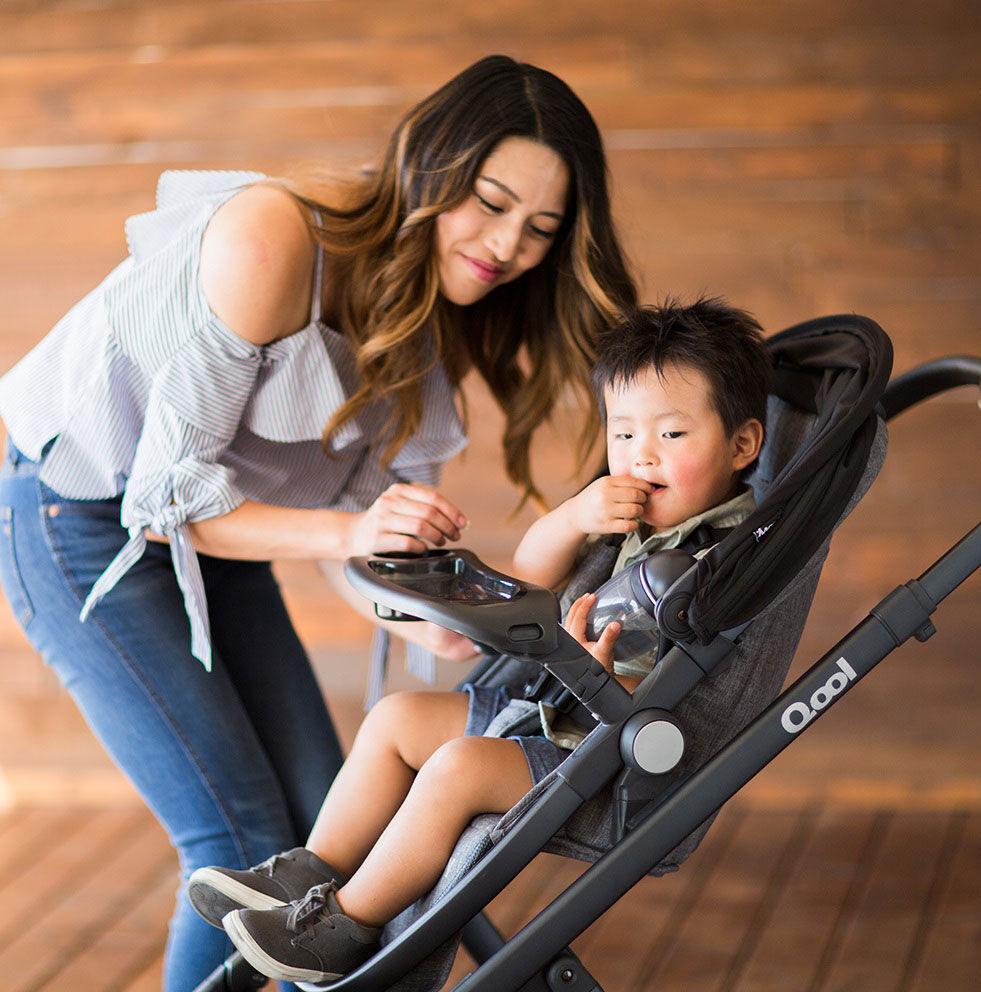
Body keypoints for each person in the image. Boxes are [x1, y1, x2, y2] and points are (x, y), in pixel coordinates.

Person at [0, 55, 637, 991]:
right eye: (489, 203)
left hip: (217, 542)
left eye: (540, 230)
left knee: (316, 827)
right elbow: (168, 497)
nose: (506, 247)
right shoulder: (271, 238)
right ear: (431, 164)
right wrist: (354, 538)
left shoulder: (432, 322)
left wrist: (425, 616)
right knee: (237, 835)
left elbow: (352, 533)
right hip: (77, 516)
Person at [184, 297, 772, 984]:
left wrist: (601, 678)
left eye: (671, 437)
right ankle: (308, 875)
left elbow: (679, 686)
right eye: (623, 435)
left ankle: (340, 927)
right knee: (398, 718)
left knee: (458, 768)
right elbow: (530, 575)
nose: (641, 457)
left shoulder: (716, 564)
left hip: (617, 752)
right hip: (553, 713)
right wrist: (576, 515)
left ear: (741, 445)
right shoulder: (629, 519)